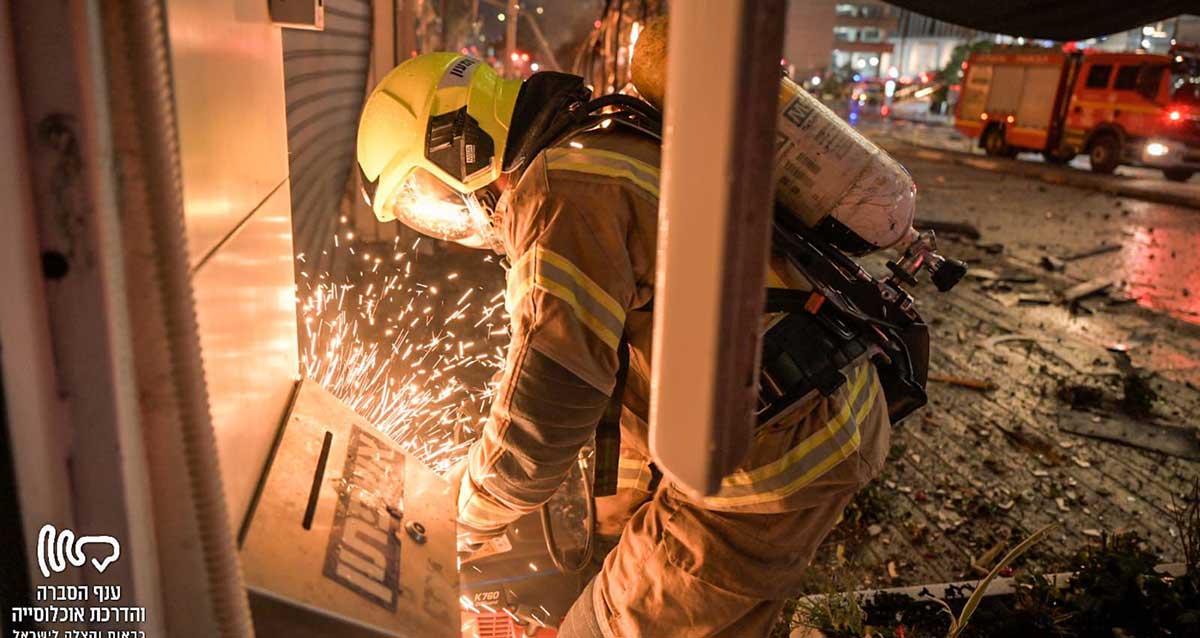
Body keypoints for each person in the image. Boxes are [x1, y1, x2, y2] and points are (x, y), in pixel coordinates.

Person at [355, 52, 892, 638]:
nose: (452, 223)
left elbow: (544, 413)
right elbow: (626, 372)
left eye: (430, 198)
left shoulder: (561, 192)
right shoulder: (601, 141)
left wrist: (448, 522)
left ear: (457, 143)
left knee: (603, 628)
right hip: (815, 413)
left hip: (764, 464)